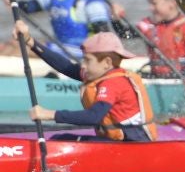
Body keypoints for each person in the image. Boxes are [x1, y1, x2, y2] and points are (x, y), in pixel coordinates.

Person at [13, 24, 155, 141]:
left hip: (133, 144)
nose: (83, 65)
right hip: (119, 141)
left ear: (107, 62)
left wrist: (50, 114)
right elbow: (66, 67)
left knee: (61, 140)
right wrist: (30, 41)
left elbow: (93, 116)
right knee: (59, 138)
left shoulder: (113, 83)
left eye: (87, 60)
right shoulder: (99, 73)